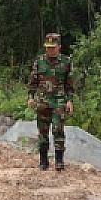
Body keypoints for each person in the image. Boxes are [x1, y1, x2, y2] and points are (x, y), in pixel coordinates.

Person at [27, 33, 75, 171]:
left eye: (53, 47)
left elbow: (69, 84)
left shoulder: (66, 62)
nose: (50, 50)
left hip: (59, 101)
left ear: (59, 47)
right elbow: (33, 81)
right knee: (43, 131)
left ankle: (59, 161)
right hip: (43, 101)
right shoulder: (40, 61)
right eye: (48, 47)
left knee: (57, 129)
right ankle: (43, 161)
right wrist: (30, 96)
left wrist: (70, 101)